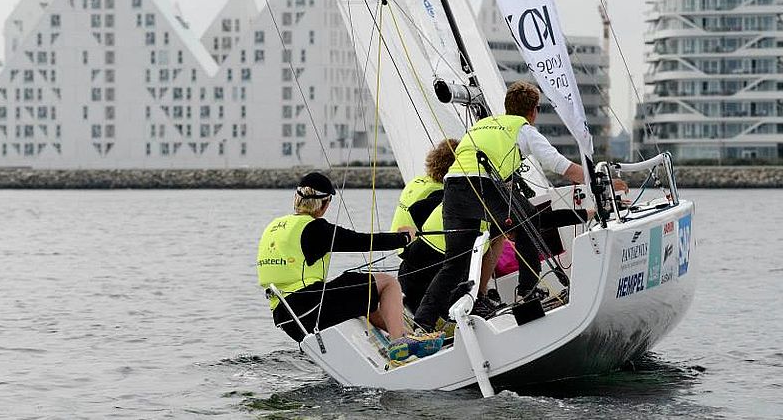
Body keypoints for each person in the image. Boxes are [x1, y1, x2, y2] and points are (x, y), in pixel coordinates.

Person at [414, 81, 608, 331]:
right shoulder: (523, 129)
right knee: (530, 221)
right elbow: (560, 165)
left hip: (453, 188)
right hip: (481, 184)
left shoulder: (481, 125)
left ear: (507, 107)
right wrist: (602, 182)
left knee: (456, 262)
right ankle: (528, 291)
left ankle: (423, 322)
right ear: (534, 110)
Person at [257, 171, 444, 361]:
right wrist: (403, 238)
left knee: (361, 293)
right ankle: (400, 342)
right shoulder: (315, 228)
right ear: (324, 203)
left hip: (286, 317)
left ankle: (407, 337)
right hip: (310, 308)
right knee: (387, 283)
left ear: (297, 199)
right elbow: (363, 241)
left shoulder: (275, 226)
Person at [391, 139, 458, 312]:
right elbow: (419, 212)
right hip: (421, 264)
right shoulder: (439, 193)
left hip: (406, 257)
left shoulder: (418, 182)